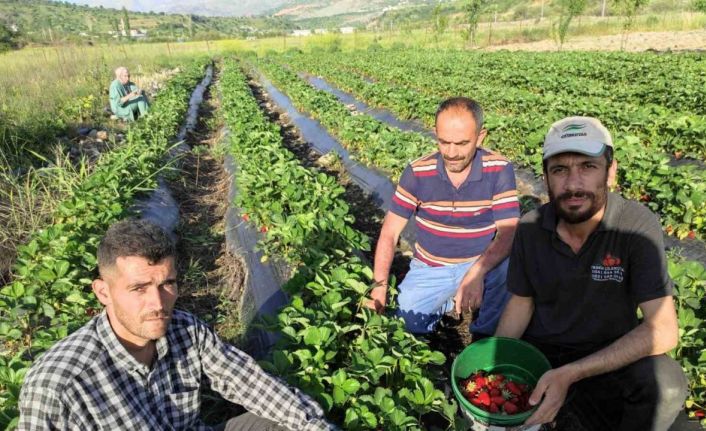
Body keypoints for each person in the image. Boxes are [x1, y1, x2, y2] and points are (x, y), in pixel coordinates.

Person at [18, 219, 334, 431]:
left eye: (167, 284)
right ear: (103, 292)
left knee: (284, 422)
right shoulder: (59, 384)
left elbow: (250, 383)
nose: (158, 303)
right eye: (138, 288)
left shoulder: (185, 330)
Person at [495, 116, 688, 430]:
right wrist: (497, 364)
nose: (573, 184)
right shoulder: (531, 228)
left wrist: (572, 374)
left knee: (666, 384)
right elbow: (521, 302)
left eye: (588, 167)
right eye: (560, 169)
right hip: (544, 357)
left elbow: (664, 329)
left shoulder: (634, 227)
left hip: (608, 357)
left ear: (611, 171)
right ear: (546, 176)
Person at [367, 97, 520, 337]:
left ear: (480, 137)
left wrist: (477, 272)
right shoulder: (418, 172)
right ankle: (448, 300)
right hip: (431, 267)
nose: (451, 153)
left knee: (512, 269)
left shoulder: (499, 168)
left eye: (462, 143)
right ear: (435, 133)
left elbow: (509, 232)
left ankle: (485, 336)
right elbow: (389, 232)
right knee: (405, 325)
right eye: (444, 142)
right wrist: (379, 288)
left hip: (481, 262)